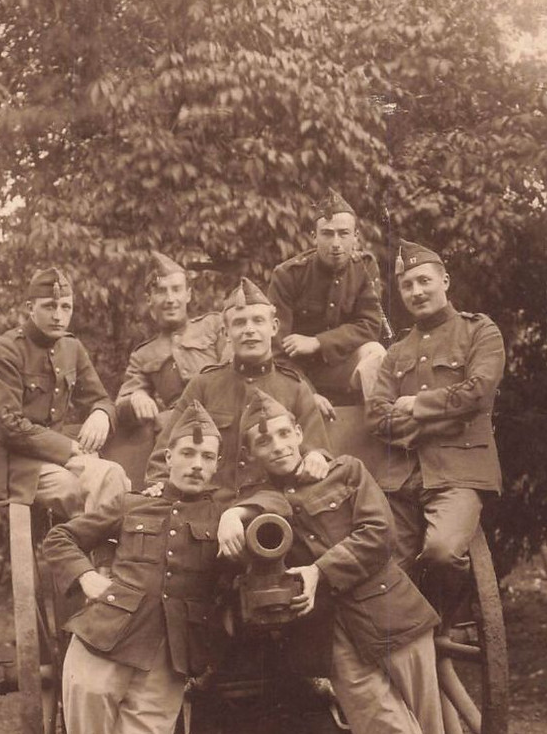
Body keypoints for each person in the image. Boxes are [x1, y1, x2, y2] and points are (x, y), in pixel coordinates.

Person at [219, 389, 528, 734]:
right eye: (261, 441)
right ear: (252, 454)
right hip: (334, 642)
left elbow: (378, 534)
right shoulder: (259, 503)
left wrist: (319, 570)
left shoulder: (346, 471)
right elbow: (251, 535)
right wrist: (233, 513)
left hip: (396, 619)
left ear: (300, 433)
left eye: (282, 433)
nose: (276, 445)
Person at [27, 401, 287, 734]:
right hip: (100, 646)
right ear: (168, 458)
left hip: (168, 663)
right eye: (187, 453)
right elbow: (60, 541)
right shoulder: (129, 504)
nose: (196, 464)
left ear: (217, 465)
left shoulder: (225, 513)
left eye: (207, 456)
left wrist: (240, 514)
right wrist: (89, 581)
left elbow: (278, 498)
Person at [365, 239, 505, 604]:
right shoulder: (396, 353)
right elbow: (378, 417)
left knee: (442, 553)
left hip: (459, 471)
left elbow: (477, 393)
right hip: (401, 479)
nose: (417, 291)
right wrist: (445, 416)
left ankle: (439, 630)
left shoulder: (479, 331)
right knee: (383, 567)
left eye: (424, 281)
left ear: (445, 281)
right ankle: (409, 648)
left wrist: (416, 404)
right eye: (407, 285)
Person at [145, 277, 331, 502]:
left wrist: (316, 458)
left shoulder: (295, 388)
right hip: (209, 511)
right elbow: (163, 457)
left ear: (273, 327)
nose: (249, 330)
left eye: (258, 321)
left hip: (275, 511)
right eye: (240, 323)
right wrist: (161, 488)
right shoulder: (204, 385)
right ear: (225, 333)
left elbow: (318, 451)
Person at [0, 267, 127, 516]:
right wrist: (69, 447)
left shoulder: (71, 348)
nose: (58, 316)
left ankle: (97, 551)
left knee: (115, 475)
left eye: (65, 307)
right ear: (31, 308)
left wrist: (101, 414)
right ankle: (83, 551)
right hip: (13, 463)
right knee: (74, 489)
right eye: (50, 306)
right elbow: (8, 425)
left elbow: (101, 399)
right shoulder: (5, 350)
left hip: (55, 458)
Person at [267, 188, 387, 408]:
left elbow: (370, 326)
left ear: (355, 237)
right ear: (314, 237)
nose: (336, 243)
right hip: (297, 374)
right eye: (327, 233)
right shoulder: (287, 275)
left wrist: (317, 342)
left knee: (376, 353)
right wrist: (307, 393)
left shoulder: (365, 267)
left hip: (341, 367)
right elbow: (277, 351)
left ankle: (381, 426)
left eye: (343, 233)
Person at [115, 251, 228, 430]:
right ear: (149, 300)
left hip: (224, 419)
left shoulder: (213, 325)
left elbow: (234, 371)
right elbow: (122, 404)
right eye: (161, 291)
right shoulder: (143, 355)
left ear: (188, 295)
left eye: (176, 289)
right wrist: (136, 397)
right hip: (178, 430)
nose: (170, 299)